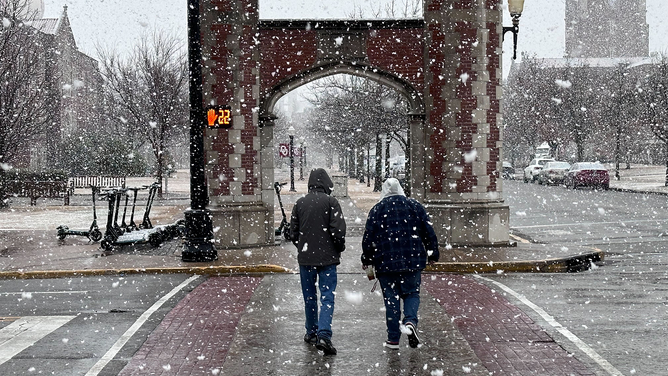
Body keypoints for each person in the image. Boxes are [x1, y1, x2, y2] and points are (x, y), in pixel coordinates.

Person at [361, 178, 439, 350]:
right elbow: (429, 233)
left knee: (391, 299)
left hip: (385, 263)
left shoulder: (377, 210)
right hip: (412, 260)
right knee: (412, 293)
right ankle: (410, 322)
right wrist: (433, 254)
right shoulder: (415, 206)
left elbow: (368, 238)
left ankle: (393, 339)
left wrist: (366, 259)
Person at [290, 168, 347, 355]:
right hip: (327, 259)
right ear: (326, 184)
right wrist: (338, 247)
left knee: (309, 297)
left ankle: (311, 331)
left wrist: (303, 246)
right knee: (327, 296)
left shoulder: (299, 203)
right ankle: (324, 334)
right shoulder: (331, 202)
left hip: (306, 259)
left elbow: (293, 233)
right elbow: (338, 231)